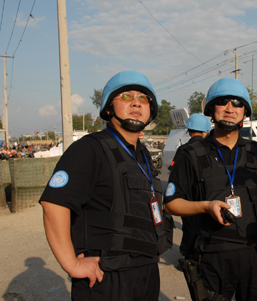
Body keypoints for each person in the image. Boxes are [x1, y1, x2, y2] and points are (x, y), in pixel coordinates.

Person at [40, 70, 173, 301]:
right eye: (125, 96)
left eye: (143, 98)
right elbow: (54, 204)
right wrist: (72, 264)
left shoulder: (141, 154)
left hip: (145, 273)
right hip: (107, 278)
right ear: (109, 108)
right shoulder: (90, 149)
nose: (136, 102)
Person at [164, 77, 257, 301]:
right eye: (223, 102)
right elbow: (171, 203)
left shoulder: (256, 151)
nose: (230, 109)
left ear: (245, 112)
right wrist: (206, 206)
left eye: (237, 103)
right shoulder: (192, 154)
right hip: (212, 257)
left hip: (255, 254)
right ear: (211, 109)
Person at [168, 113, 211, 259]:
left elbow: (172, 169)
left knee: (189, 228)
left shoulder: (183, 150)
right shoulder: (211, 149)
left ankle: (188, 257)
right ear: (205, 131)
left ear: (188, 131)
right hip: (207, 197)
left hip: (187, 200)